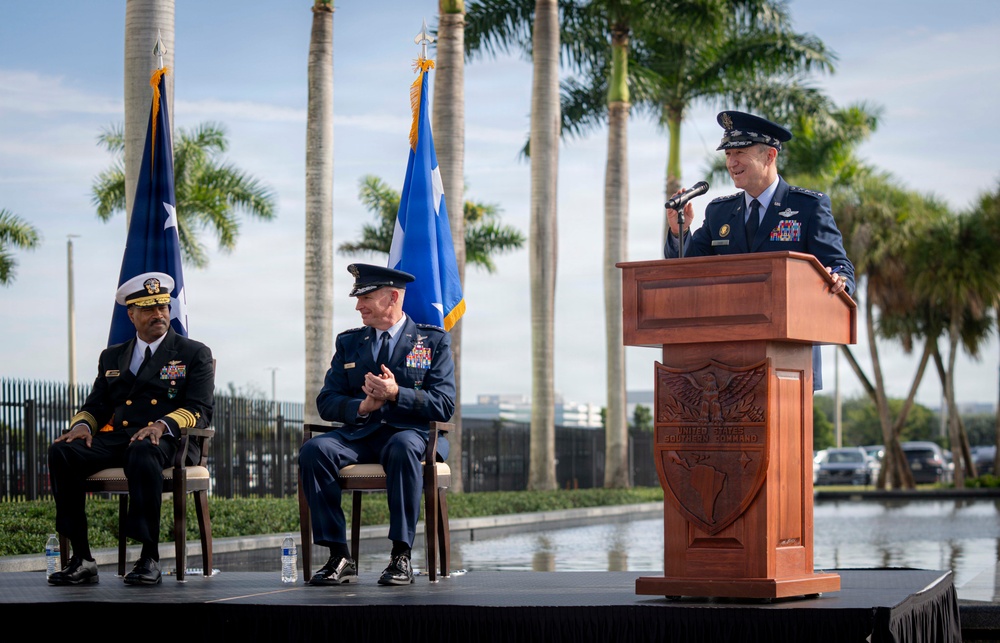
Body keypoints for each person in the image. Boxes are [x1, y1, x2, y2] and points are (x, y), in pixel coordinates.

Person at [664, 110, 856, 391]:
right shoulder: (720, 212)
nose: (732, 163)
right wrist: (679, 232)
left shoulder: (808, 207)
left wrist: (839, 280)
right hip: (724, 366)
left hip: (791, 363)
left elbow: (839, 265)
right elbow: (688, 270)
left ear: (769, 156)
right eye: (728, 155)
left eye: (740, 152)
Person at [47, 272, 215, 586]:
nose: (159, 315)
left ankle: (148, 556)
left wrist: (161, 424)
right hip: (124, 437)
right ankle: (82, 558)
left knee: (142, 449)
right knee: (62, 451)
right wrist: (83, 426)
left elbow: (199, 409)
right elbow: (97, 405)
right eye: (149, 309)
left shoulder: (193, 353)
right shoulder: (112, 356)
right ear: (132, 314)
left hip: (171, 441)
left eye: (163, 307)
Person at [299, 263, 456, 586]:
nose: (358, 306)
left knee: (401, 447)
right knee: (314, 450)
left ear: (393, 297)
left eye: (366, 297)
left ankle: (401, 555)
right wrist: (362, 405)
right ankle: (338, 555)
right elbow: (326, 400)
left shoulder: (432, 341)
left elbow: (444, 404)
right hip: (360, 435)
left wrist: (397, 393)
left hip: (411, 435)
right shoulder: (349, 343)